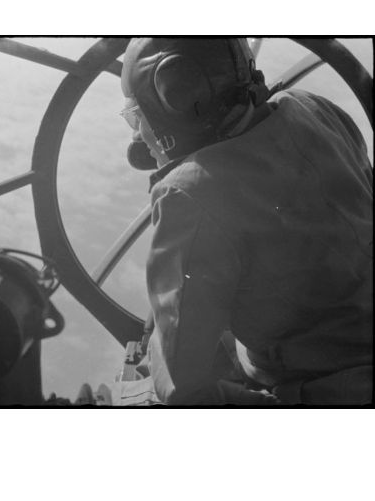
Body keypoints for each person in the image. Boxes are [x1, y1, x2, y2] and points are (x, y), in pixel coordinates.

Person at [120, 38, 373, 405]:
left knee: (139, 392)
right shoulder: (313, 108)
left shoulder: (189, 195)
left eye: (137, 118)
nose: (139, 138)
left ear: (174, 99)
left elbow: (182, 388)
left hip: (334, 393)